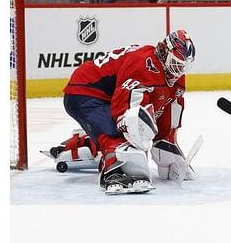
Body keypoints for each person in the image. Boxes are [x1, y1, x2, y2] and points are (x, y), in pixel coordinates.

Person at [61, 30, 196, 194]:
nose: (179, 70)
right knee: (120, 131)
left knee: (126, 126)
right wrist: (135, 146)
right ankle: (112, 168)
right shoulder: (143, 65)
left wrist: (167, 142)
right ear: (164, 52)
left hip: (108, 95)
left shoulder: (172, 71)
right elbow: (124, 112)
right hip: (84, 92)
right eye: (176, 63)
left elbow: (169, 109)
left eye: (183, 66)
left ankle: (88, 143)